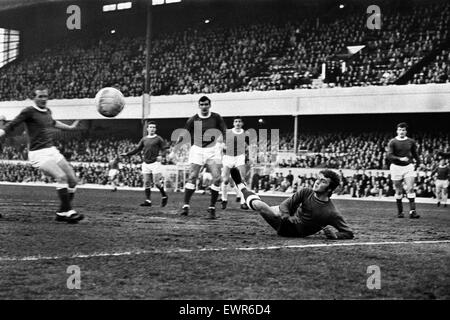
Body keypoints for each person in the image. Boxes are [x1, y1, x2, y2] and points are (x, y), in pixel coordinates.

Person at [0, 86, 82, 223]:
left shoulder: (48, 111)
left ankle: (62, 212)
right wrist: (1, 132)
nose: (44, 99)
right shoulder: (29, 111)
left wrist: (70, 128)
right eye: (40, 96)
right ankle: (69, 211)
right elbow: (13, 124)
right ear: (34, 98)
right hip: (38, 153)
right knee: (61, 177)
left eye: (45, 96)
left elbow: (54, 122)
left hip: (51, 150)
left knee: (73, 180)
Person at [228, 167, 354, 239]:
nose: (317, 182)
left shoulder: (331, 212)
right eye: (318, 179)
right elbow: (285, 205)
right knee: (261, 206)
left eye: (323, 182)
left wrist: (336, 236)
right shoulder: (306, 191)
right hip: (287, 217)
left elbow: (348, 233)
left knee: (260, 206)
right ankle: (241, 186)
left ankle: (242, 188)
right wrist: (287, 216)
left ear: (330, 189)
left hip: (292, 231)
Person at [169, 96, 227, 219]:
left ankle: (211, 207)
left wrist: (225, 143)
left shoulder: (216, 117)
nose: (204, 106)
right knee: (192, 177)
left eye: (206, 104)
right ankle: (185, 206)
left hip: (212, 150)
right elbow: (183, 135)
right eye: (202, 104)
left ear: (210, 105)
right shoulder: (193, 119)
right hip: (197, 150)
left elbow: (224, 131)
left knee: (217, 179)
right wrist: (174, 150)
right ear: (199, 106)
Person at [121, 121, 169, 207]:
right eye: (150, 127)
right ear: (147, 129)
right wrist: (128, 154)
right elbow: (137, 149)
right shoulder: (144, 139)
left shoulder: (158, 139)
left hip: (155, 163)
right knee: (147, 182)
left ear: (156, 129)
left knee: (157, 183)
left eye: (154, 127)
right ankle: (148, 201)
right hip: (145, 163)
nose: (152, 129)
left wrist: (161, 156)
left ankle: (164, 196)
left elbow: (165, 149)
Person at [386, 122, 421, 218]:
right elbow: (389, 155)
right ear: (397, 131)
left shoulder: (411, 141)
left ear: (406, 131)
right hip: (396, 167)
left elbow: (415, 153)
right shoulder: (392, 142)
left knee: (410, 188)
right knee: (399, 191)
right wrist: (399, 158)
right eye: (400, 130)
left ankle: (412, 212)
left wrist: (419, 163)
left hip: (408, 167)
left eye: (403, 130)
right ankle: (400, 212)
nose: (402, 131)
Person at [221, 116, 249, 210]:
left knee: (242, 179)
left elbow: (247, 146)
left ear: (242, 123)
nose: (237, 123)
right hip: (228, 157)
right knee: (225, 180)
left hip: (239, 157)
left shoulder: (245, 134)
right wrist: (225, 148)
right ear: (233, 123)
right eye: (236, 121)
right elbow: (222, 145)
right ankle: (224, 199)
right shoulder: (228, 132)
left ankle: (243, 202)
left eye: (239, 121)